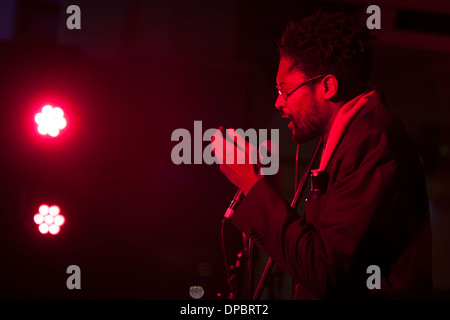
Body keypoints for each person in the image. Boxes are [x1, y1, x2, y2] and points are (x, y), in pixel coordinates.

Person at [213, 12, 433, 299]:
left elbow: (323, 272)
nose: (278, 102)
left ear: (327, 86)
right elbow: (316, 254)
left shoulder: (373, 142)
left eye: (285, 89)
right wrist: (263, 191)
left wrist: (251, 186)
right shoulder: (349, 137)